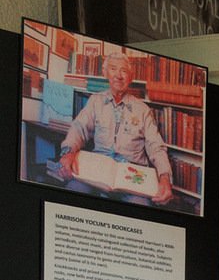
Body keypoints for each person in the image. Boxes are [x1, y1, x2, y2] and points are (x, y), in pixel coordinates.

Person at [57, 51, 174, 206]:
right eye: (113, 69)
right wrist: (69, 152)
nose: (118, 75)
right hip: (97, 171)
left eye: (124, 71)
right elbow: (79, 128)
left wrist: (165, 177)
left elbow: (156, 146)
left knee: (141, 207)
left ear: (130, 77)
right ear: (106, 73)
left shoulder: (143, 110)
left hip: (131, 176)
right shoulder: (95, 101)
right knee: (73, 193)